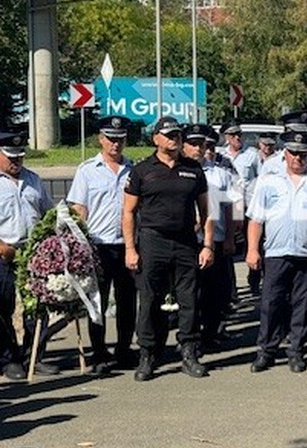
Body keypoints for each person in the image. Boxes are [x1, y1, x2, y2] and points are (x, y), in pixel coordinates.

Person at [246, 129, 307, 373]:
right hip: (277, 253)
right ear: (284, 154)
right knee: (271, 304)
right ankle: (266, 352)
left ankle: (296, 351)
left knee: (303, 306)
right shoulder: (268, 181)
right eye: (293, 153)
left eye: (302, 154)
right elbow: (256, 220)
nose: (298, 158)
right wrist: (251, 250)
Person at [123, 116, 213, 381]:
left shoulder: (193, 169)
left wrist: (207, 245)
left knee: (189, 299)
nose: (174, 139)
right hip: (153, 241)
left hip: (185, 241)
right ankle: (148, 354)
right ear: (156, 139)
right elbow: (128, 212)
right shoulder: (141, 171)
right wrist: (130, 248)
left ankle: (189, 351)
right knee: (150, 298)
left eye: (177, 135)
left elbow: (206, 212)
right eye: (169, 135)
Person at [67, 116, 138, 374]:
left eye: (120, 139)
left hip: (126, 244)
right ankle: (98, 352)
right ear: (100, 139)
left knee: (128, 300)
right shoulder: (87, 170)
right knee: (97, 301)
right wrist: (77, 245)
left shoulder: (134, 169)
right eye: (111, 139)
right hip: (97, 245)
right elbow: (79, 209)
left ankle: (124, 348)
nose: (115, 144)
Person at [0, 132, 53, 380]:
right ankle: (9, 359)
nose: (16, 161)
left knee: (37, 308)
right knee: (3, 307)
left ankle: (34, 355)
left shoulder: (33, 179)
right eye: (11, 157)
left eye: (20, 156)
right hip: (4, 252)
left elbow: (48, 213)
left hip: (32, 253)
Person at [183, 124, 238, 350]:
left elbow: (228, 207)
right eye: (194, 144)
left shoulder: (219, 174)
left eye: (203, 144)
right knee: (190, 293)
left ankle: (211, 333)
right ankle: (190, 336)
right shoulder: (178, 171)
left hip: (215, 240)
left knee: (215, 293)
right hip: (187, 241)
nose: (199, 148)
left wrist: (229, 238)